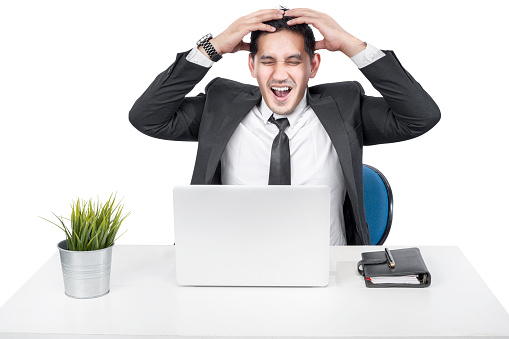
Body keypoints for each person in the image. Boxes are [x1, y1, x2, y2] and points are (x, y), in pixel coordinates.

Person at [129, 8, 440, 245]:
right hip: (234, 266)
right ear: (252, 66)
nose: (280, 75)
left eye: (293, 61)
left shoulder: (345, 108)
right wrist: (213, 48)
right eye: (267, 61)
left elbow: (421, 116)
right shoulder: (221, 106)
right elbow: (147, 117)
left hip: (327, 270)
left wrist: (350, 44)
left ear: (313, 66)